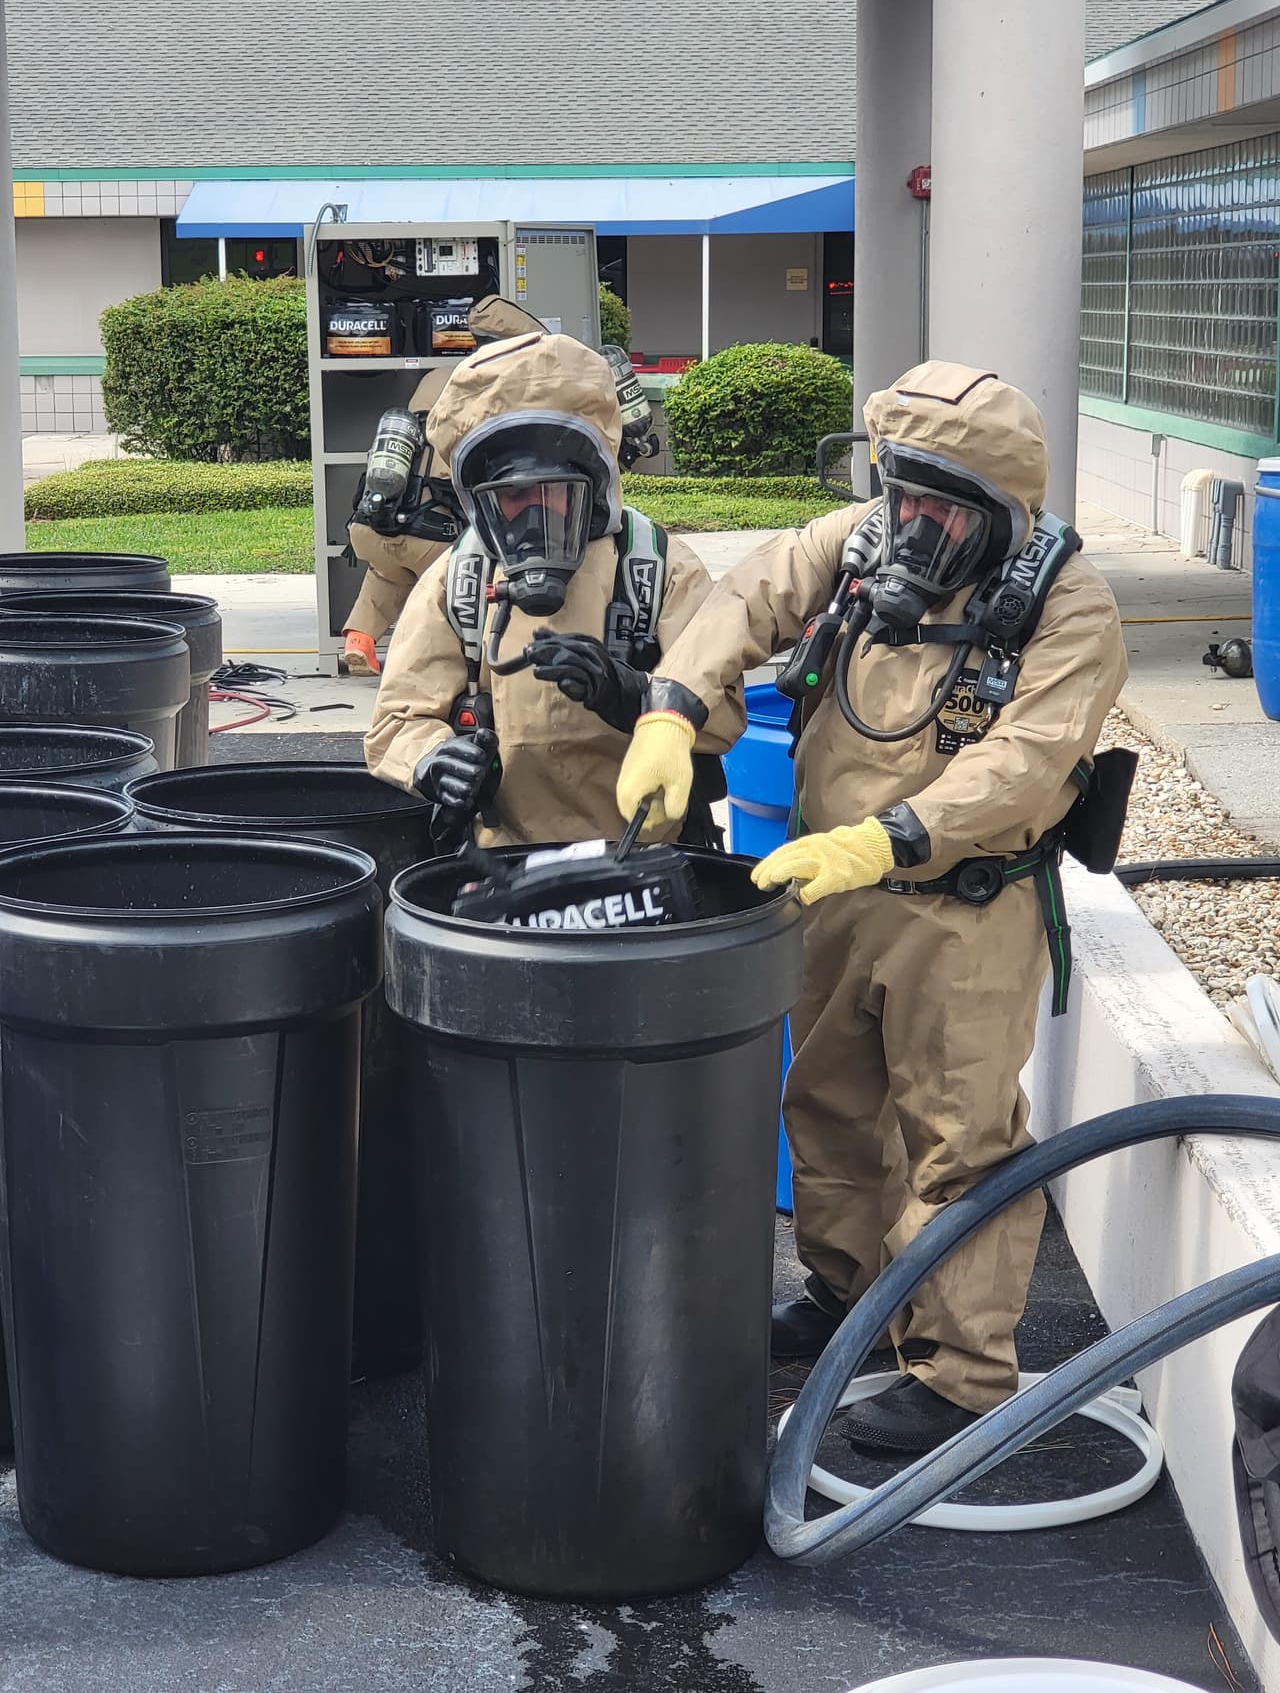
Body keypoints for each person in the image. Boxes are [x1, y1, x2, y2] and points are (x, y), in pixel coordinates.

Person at [614, 361, 1128, 1453]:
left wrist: (886, 837)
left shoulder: (1067, 604)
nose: (915, 529)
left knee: (958, 1136)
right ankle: (847, 1295)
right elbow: (745, 600)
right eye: (904, 495)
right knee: (829, 1104)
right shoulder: (858, 539)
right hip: (835, 885)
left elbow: (1029, 760)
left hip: (965, 905)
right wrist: (670, 710)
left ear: (1002, 512)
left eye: (946, 512)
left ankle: (959, 1373)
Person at [364, 330, 741, 848]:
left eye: (555, 491)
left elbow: (724, 718)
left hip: (644, 858)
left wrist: (631, 694)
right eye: (513, 495)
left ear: (594, 485)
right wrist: (432, 759)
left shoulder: (657, 568)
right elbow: (397, 720)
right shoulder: (460, 578)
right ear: (481, 501)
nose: (535, 513)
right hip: (505, 862)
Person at [341, 296, 548, 675]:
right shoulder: (499, 389)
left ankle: (360, 639)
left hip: (373, 520)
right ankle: (439, 660)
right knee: (458, 584)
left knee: (387, 573)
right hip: (434, 531)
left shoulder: (437, 375)